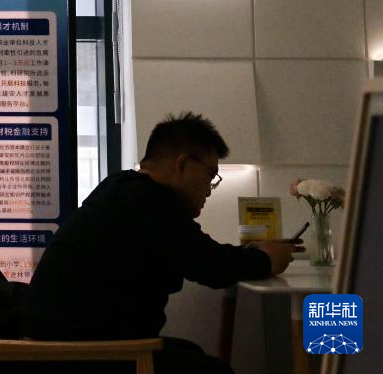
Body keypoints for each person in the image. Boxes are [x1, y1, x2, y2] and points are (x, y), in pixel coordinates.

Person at [20, 112, 300, 374]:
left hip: (63, 347)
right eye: (210, 175)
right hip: (86, 355)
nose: (210, 189)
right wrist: (267, 259)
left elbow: (200, 253)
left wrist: (250, 254)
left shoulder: (121, 187)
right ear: (182, 164)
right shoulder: (151, 201)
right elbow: (211, 266)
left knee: (191, 354)